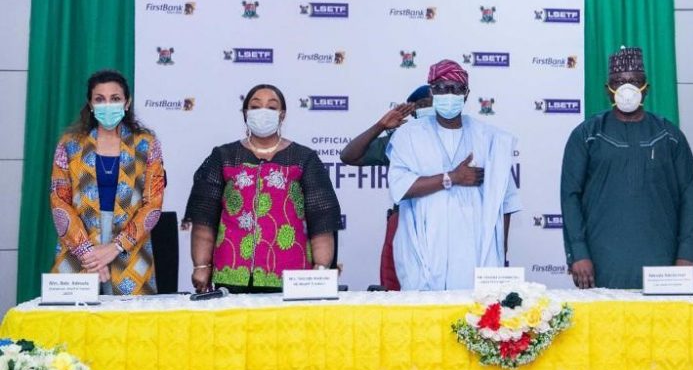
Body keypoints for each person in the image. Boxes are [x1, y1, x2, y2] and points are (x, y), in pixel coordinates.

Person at [560, 46, 693, 289]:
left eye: (635, 81)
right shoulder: (587, 135)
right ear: (608, 90)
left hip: (663, 261)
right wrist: (578, 253)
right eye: (618, 82)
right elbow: (570, 196)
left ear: (646, 88)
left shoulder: (669, 136)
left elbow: (689, 196)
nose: (627, 89)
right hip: (601, 261)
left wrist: (686, 255)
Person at [185, 84, 340, 293]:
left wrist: (321, 269)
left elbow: (321, 217)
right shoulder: (223, 156)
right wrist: (201, 265)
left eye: (272, 107)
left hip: (291, 274)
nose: (263, 112)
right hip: (232, 270)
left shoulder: (304, 158)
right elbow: (205, 217)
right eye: (256, 107)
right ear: (245, 113)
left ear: (282, 115)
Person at [387, 60, 521, 290]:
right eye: (441, 88)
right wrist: (452, 177)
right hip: (425, 247)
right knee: (427, 309)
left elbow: (505, 201)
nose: (449, 94)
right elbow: (400, 188)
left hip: (476, 250)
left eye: (456, 88)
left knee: (476, 309)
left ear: (466, 94)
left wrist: (500, 249)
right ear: (432, 91)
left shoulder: (490, 139)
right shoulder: (408, 136)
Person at [50, 69, 165, 295]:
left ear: (127, 103)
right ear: (90, 104)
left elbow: (153, 203)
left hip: (131, 247)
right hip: (79, 244)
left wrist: (116, 247)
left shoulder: (146, 144)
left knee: (129, 316)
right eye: (100, 99)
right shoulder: (70, 145)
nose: (107, 105)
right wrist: (88, 253)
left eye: (115, 98)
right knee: (74, 315)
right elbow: (59, 201)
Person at [340, 85, 433, 290]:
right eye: (424, 105)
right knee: (399, 290)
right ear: (413, 112)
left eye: (435, 103)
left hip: (451, 223)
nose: (432, 108)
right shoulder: (400, 140)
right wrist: (381, 125)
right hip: (406, 223)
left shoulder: (465, 138)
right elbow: (349, 155)